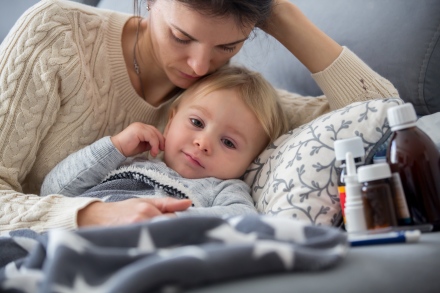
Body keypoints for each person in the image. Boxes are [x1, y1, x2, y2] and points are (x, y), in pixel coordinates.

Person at [0, 0, 399, 235]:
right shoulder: (57, 34)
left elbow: (384, 117)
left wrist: (278, 14)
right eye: (181, 36)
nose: (199, 65)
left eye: (228, 45)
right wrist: (93, 215)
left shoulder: (225, 99)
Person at [40, 65, 289, 218]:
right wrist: (113, 147)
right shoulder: (129, 159)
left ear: (251, 161)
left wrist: (171, 219)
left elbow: (243, 220)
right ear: (170, 122)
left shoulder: (223, 189)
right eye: (197, 123)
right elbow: (52, 192)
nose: (203, 143)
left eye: (229, 142)